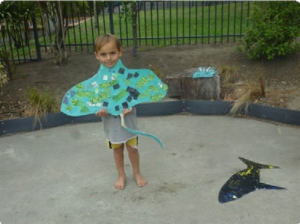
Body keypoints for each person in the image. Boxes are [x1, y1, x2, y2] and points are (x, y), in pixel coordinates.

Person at [94, 34, 147, 190]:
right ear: (97, 56)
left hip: (129, 119)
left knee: (133, 148)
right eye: (103, 54)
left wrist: (131, 104)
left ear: (120, 52)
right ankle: (121, 174)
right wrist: (100, 110)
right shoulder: (97, 81)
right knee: (117, 149)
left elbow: (134, 93)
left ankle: (137, 173)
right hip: (111, 123)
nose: (109, 58)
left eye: (112, 53)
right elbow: (96, 100)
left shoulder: (127, 77)